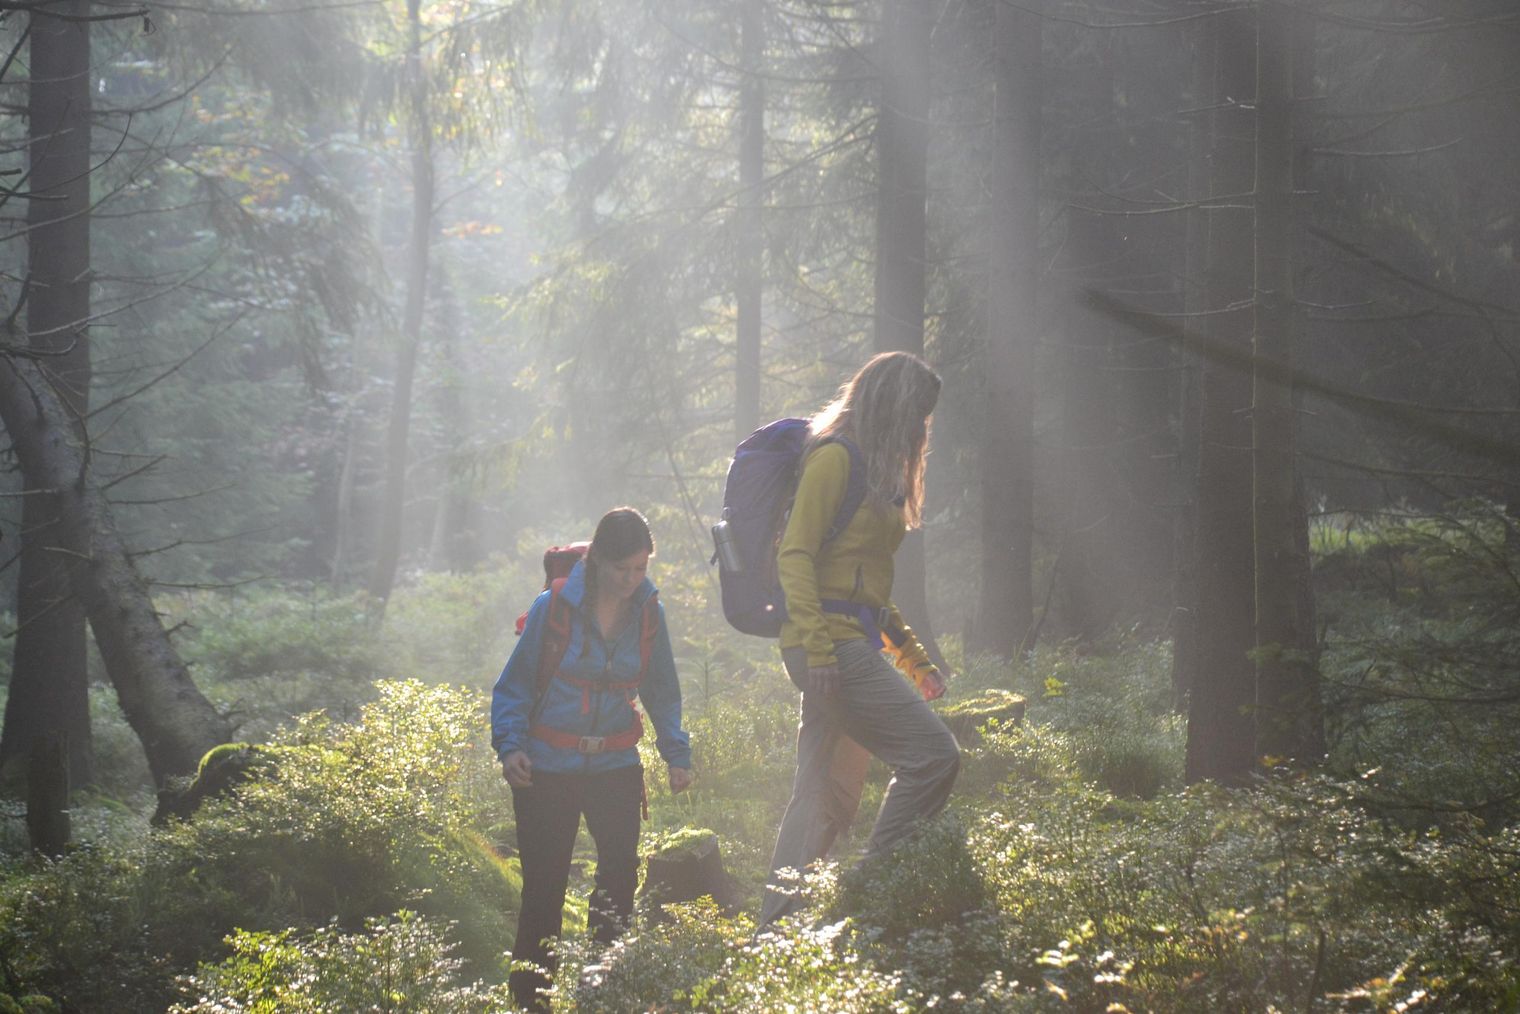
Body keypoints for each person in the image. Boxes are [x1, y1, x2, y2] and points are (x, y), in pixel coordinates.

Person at [760, 351, 961, 926]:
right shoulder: (834, 458)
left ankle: (772, 931)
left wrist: (915, 659)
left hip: (845, 640)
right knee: (932, 755)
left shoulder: (874, 474)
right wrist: (820, 650)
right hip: (827, 646)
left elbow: (864, 590)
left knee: (818, 793)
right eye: (915, 414)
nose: (919, 429)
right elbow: (794, 554)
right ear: (889, 406)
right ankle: (868, 897)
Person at [492, 507, 693, 1010]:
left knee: (620, 876)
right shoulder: (553, 608)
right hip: (547, 767)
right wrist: (511, 746)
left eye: (641, 569)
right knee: (544, 887)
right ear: (598, 560)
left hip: (616, 765)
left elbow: (662, 690)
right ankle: (529, 1000)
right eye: (623, 568)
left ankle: (602, 992)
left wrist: (676, 753)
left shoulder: (649, 613)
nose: (631, 580)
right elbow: (514, 685)